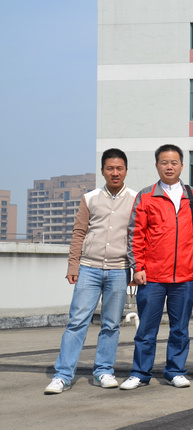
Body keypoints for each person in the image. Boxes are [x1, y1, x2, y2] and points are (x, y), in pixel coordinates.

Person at [45, 149, 137, 394]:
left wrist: (136, 268)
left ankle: (103, 371)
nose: (115, 173)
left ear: (126, 171)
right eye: (110, 168)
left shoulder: (136, 199)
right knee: (77, 322)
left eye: (119, 168)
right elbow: (79, 233)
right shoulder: (90, 198)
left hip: (119, 270)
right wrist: (72, 265)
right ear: (103, 171)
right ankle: (62, 376)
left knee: (111, 324)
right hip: (89, 268)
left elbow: (138, 236)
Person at [120, 144, 193, 390]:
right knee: (146, 328)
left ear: (182, 166)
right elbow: (136, 234)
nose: (169, 167)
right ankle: (140, 372)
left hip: (185, 276)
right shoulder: (146, 196)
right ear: (156, 165)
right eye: (164, 162)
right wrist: (138, 267)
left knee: (180, 329)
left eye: (174, 162)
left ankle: (175, 371)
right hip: (152, 276)